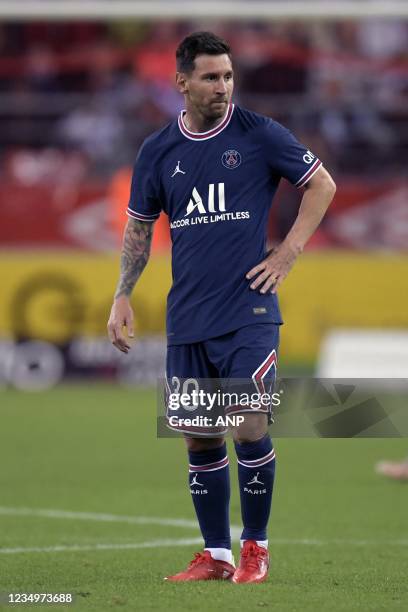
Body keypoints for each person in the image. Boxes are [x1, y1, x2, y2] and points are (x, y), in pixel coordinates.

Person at [107, 31, 336, 584]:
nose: (223, 87)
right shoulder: (158, 150)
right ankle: (215, 554)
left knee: (249, 423)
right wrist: (121, 294)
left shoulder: (258, 134)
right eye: (211, 77)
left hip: (249, 313)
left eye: (228, 76)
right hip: (188, 317)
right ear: (181, 82)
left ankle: (255, 547)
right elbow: (139, 228)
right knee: (200, 435)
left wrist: (287, 251)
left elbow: (321, 184)